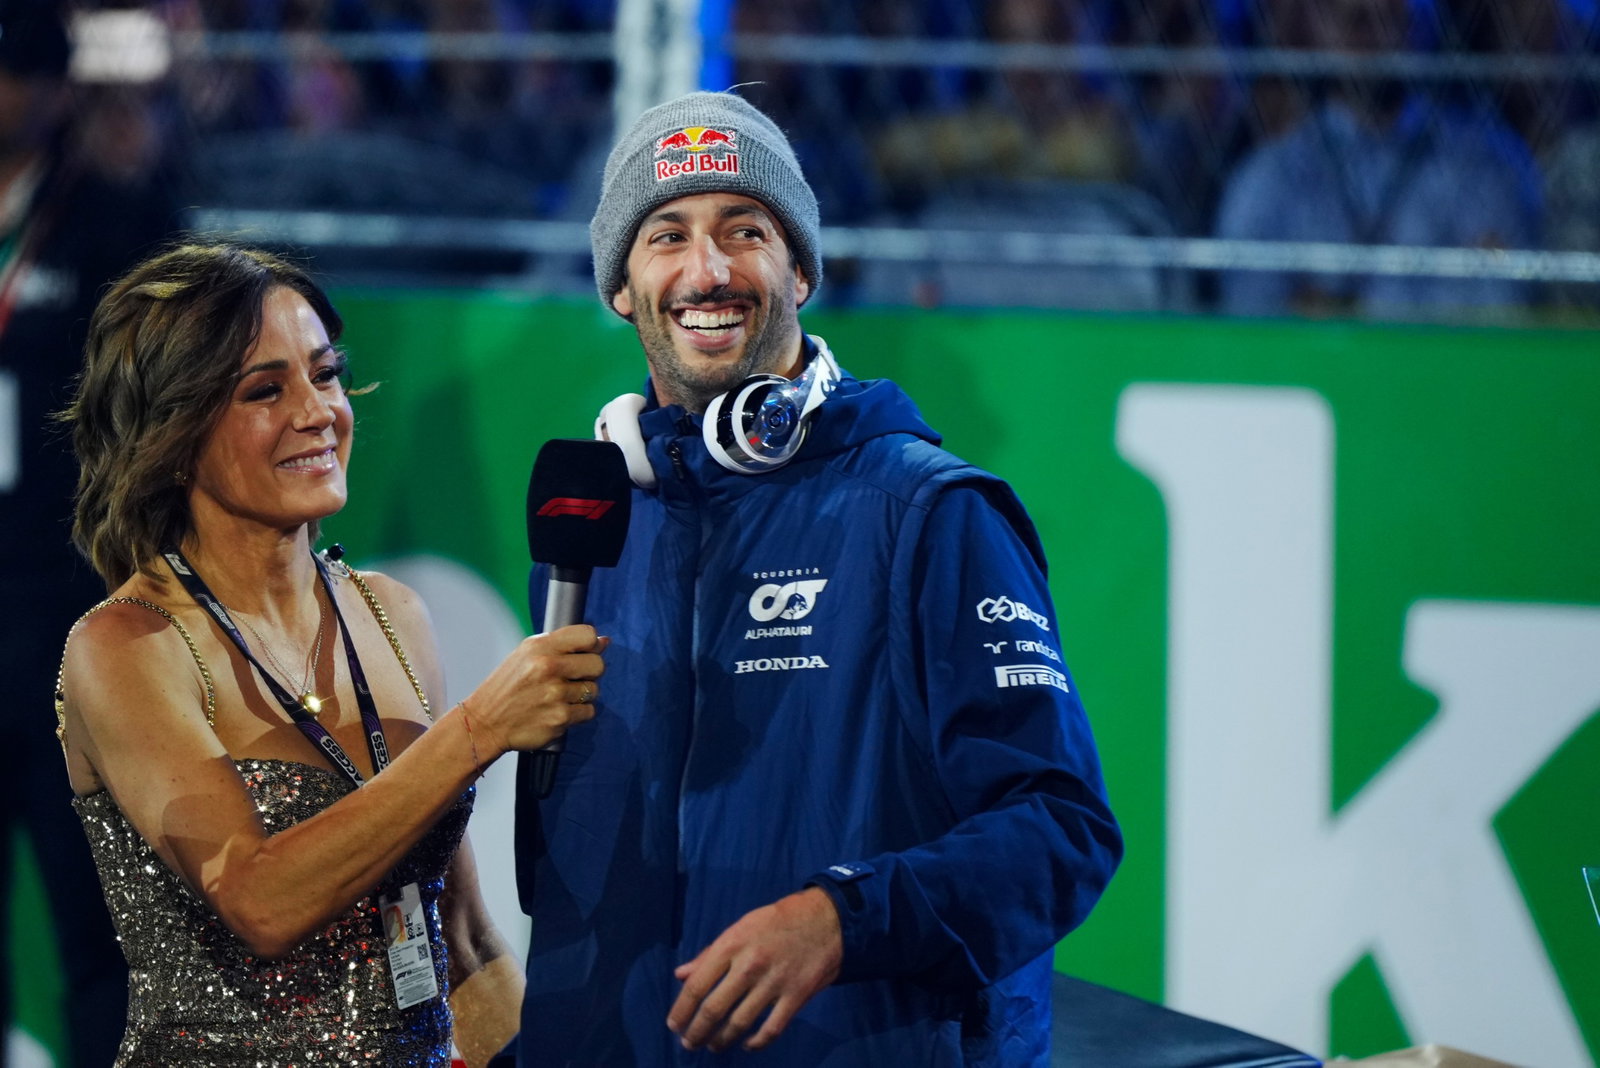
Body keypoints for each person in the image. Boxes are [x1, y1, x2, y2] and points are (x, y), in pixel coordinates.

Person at [514, 90, 1122, 1065]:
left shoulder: (926, 509)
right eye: (666, 235)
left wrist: (838, 919)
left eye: (743, 231)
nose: (706, 271)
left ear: (798, 267)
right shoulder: (589, 531)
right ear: (621, 286)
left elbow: (1061, 830)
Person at [54, 241, 607, 1065]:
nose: (318, 412)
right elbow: (259, 899)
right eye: (264, 391)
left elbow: (461, 935)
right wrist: (480, 730)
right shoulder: (125, 646)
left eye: (326, 373)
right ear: (173, 435)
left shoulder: (391, 617)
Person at [0, 3, 178, 1062]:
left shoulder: (108, 211)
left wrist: (142, 169)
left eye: (22, 75)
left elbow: (164, 375)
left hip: (68, 627)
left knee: (96, 931)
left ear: (58, 88)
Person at [1214, 0, 1535, 319]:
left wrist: (1342, 311)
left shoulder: (1481, 159)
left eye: (1390, 18)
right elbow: (1251, 304)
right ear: (1321, 29)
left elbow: (1503, 293)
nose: (1375, 39)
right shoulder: (1271, 174)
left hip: (1448, 364)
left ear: (1415, 27)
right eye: (1357, 21)